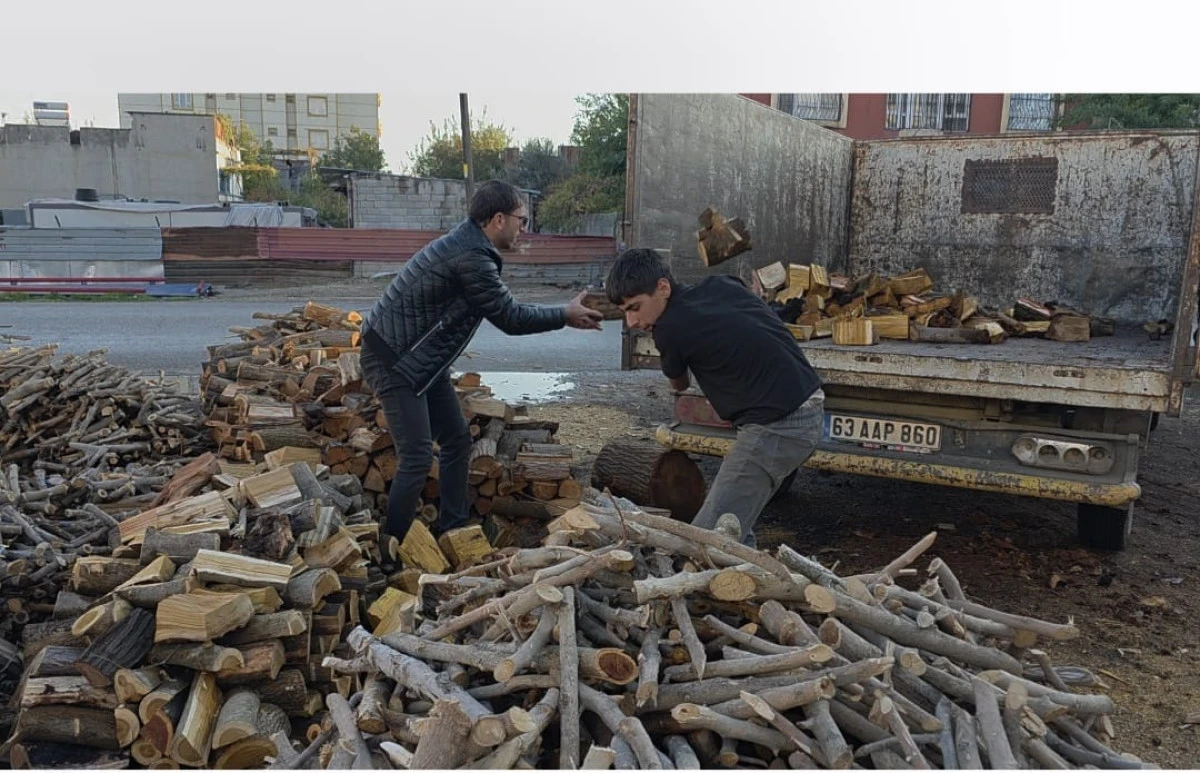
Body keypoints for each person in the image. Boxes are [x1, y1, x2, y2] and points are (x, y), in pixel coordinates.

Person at [359, 180, 604, 542]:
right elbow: (510, 317)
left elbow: (505, 310)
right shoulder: (471, 256)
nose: (525, 228)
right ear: (499, 219)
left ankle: (453, 529)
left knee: (457, 440)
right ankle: (390, 549)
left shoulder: (469, 246)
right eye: (522, 220)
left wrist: (562, 314)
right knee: (416, 456)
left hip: (419, 359)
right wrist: (563, 315)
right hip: (394, 359)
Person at [605, 248, 824, 547]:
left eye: (635, 307)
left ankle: (736, 576)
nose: (631, 321)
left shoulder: (669, 330)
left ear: (663, 288)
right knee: (732, 526)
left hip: (780, 425)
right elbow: (749, 301)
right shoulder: (719, 284)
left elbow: (679, 384)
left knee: (708, 538)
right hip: (805, 404)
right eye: (624, 312)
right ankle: (747, 577)